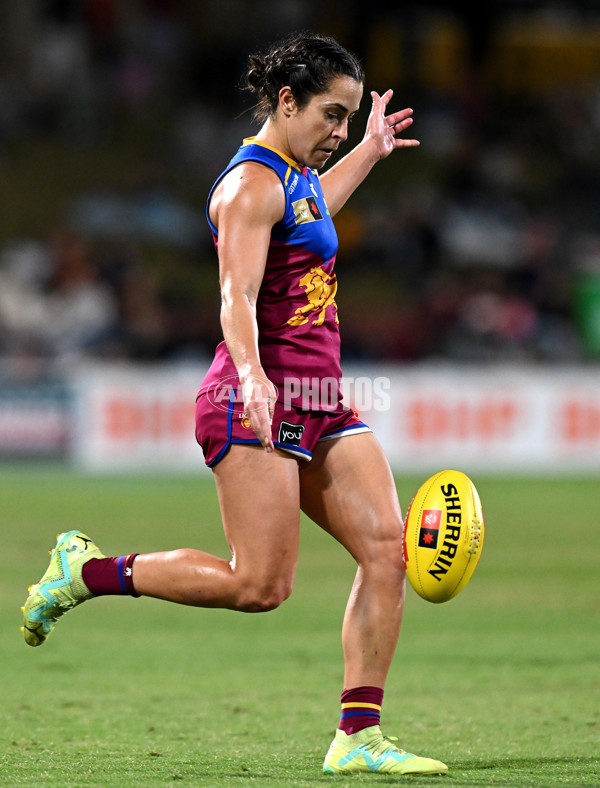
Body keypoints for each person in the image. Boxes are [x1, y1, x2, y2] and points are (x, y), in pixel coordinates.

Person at [21, 32, 448, 777]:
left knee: (387, 549)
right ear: (287, 102)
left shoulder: (300, 175)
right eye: (332, 116)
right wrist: (251, 373)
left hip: (320, 396)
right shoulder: (250, 185)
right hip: (254, 395)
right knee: (260, 586)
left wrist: (371, 151)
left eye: (349, 118)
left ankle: (358, 737)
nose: (339, 131)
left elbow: (316, 210)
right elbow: (236, 294)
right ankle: (85, 571)